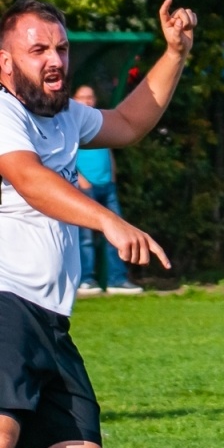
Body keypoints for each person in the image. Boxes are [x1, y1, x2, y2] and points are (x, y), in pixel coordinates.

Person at [0, 0, 193, 448]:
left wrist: (174, 55)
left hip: (48, 322)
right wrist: (106, 219)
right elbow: (25, 179)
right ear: (5, 63)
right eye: (38, 50)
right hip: (2, 304)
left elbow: (131, 121)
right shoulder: (3, 114)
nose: (55, 61)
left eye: (60, 49)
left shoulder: (64, 118)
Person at [70, 86, 143, 295]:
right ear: (74, 99)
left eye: (90, 97)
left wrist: (112, 175)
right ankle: (85, 281)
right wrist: (81, 180)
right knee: (85, 238)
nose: (87, 101)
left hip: (107, 186)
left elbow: (108, 150)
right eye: (82, 97)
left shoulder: (98, 122)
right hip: (85, 189)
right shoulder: (72, 122)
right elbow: (65, 155)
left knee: (117, 234)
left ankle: (116, 280)